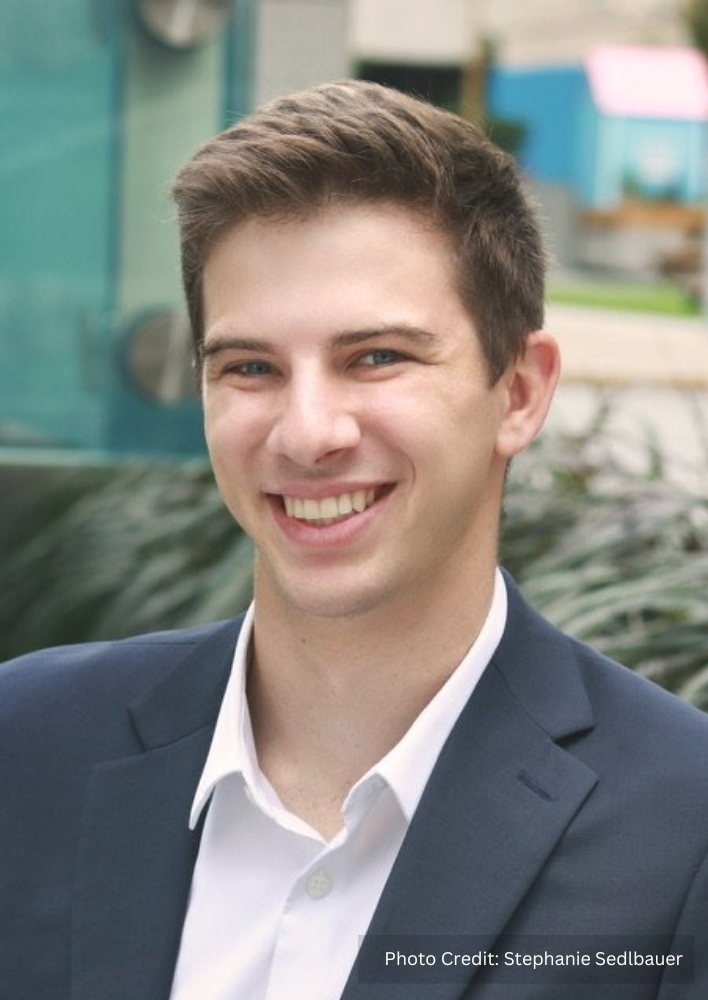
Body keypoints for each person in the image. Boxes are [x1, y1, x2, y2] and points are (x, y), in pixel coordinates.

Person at [1, 80, 707, 1000]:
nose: (306, 433)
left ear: (521, 392)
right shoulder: (27, 747)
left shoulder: (683, 825)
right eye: (250, 367)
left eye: (376, 357)